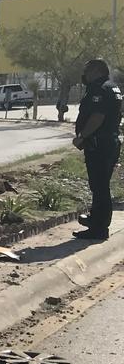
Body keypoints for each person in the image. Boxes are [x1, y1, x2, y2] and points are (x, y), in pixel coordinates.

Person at [72, 58, 122, 241]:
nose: (84, 75)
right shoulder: (113, 87)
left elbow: (98, 116)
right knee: (100, 186)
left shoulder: (100, 88)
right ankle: (96, 221)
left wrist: (82, 136)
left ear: (96, 71)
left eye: (87, 71)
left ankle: (99, 228)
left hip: (99, 144)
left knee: (100, 187)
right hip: (109, 142)